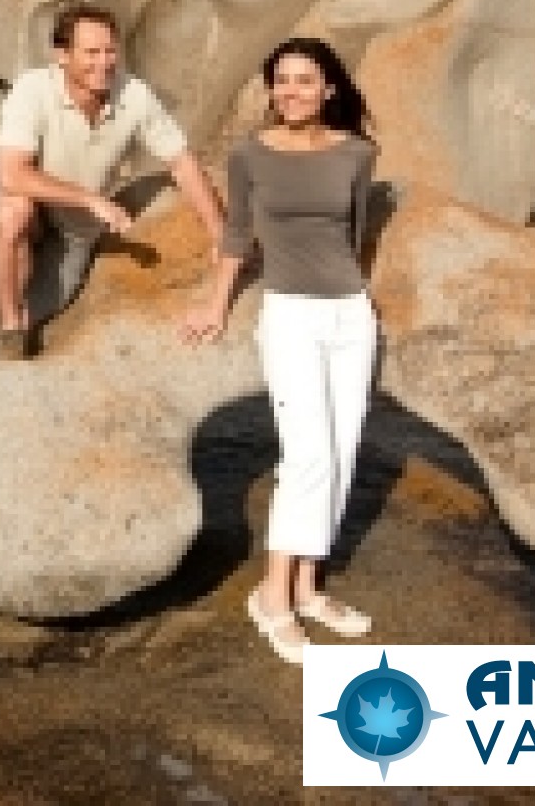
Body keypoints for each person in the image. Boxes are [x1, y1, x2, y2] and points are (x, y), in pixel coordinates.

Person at [178, 36, 379, 662]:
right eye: (281, 80)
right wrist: (216, 303)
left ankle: (310, 587)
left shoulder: (357, 152)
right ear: (271, 89)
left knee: (342, 455)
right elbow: (238, 232)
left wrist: (359, 296)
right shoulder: (250, 154)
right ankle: (272, 597)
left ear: (329, 89)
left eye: (304, 80)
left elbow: (353, 232)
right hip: (289, 314)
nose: (290, 91)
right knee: (308, 456)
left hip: (351, 315)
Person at [0, 1, 224, 359]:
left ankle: (24, 314)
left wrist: (221, 234)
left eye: (110, 51)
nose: (104, 62)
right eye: (91, 52)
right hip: (32, 202)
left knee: (42, 311)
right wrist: (91, 199)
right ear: (62, 55)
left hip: (76, 227)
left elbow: (183, 164)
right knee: (12, 215)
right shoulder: (32, 90)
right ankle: (8, 327)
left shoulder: (134, 94)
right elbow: (11, 173)